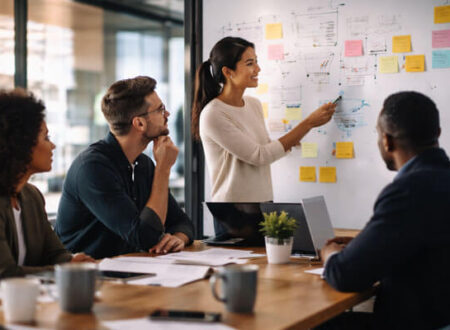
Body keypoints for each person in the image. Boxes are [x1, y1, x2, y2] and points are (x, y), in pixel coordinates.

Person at [320, 91, 450, 330]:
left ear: (387, 141)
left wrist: (329, 254)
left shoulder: (409, 190)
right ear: (438, 134)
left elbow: (345, 275)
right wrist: (364, 244)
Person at [56, 76, 194, 259]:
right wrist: (163, 169)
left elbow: (182, 222)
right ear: (139, 123)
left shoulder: (143, 164)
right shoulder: (93, 168)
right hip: (88, 276)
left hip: (130, 269)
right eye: (160, 109)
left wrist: (178, 238)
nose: (167, 114)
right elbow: (144, 237)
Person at [192, 36, 335, 203]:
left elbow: (265, 147)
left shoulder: (254, 104)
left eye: (256, 62)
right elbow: (260, 156)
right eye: (250, 63)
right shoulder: (213, 114)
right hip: (233, 210)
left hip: (264, 203)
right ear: (228, 72)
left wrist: (293, 139)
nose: (258, 69)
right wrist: (308, 123)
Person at [0, 89, 93, 278]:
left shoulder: (32, 196)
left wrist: (72, 261)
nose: (53, 146)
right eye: (46, 138)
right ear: (21, 143)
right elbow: (5, 273)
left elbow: (55, 254)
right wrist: (65, 270)